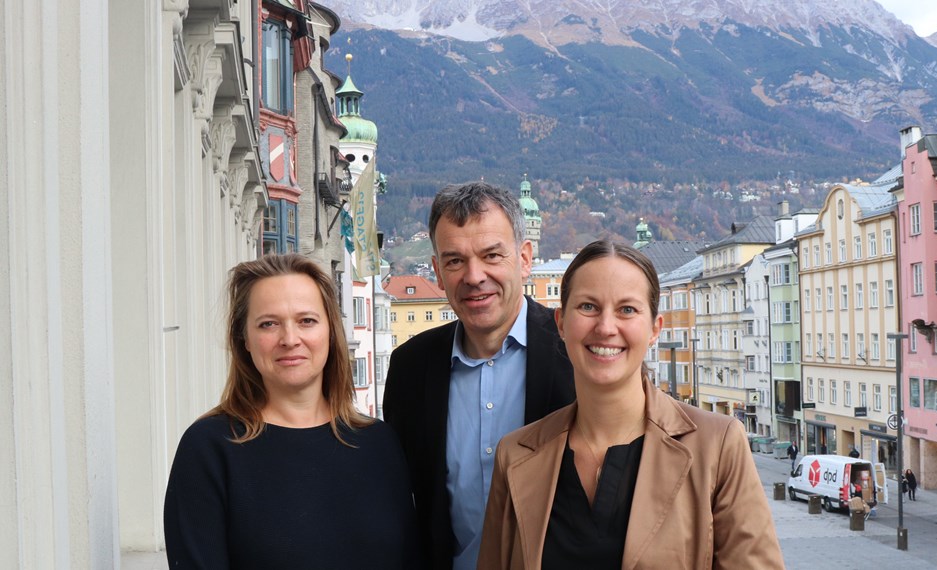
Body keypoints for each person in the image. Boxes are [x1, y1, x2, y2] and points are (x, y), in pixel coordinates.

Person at [478, 241, 784, 569]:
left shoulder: (718, 446)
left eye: (627, 309)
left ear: (654, 329)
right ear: (562, 323)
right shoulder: (515, 455)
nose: (606, 327)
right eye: (588, 307)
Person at [163, 254, 421, 568]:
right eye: (268, 324)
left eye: (306, 321)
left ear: (330, 331)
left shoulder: (379, 442)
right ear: (244, 339)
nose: (289, 339)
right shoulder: (209, 449)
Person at [383, 182, 576, 570]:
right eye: (455, 261)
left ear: (524, 259)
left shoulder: (575, 354)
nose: (474, 276)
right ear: (437, 271)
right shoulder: (409, 369)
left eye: (491, 255)